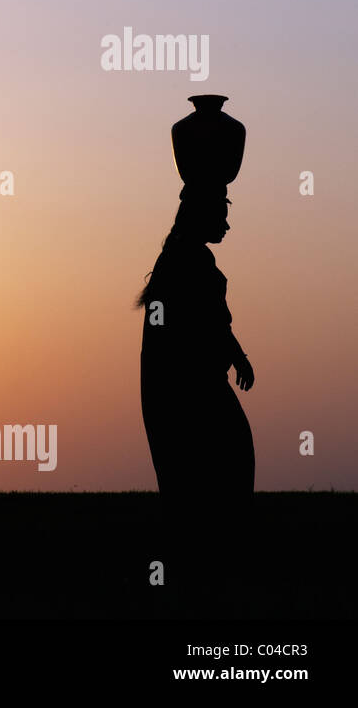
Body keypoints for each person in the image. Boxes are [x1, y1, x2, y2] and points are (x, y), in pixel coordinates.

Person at [138, 187, 255, 583]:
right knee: (224, 465)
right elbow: (207, 323)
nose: (226, 223)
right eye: (220, 215)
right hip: (190, 391)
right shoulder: (188, 261)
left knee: (201, 478)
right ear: (201, 216)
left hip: (178, 389)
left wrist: (234, 355)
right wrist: (236, 356)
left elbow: (213, 323)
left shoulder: (180, 258)